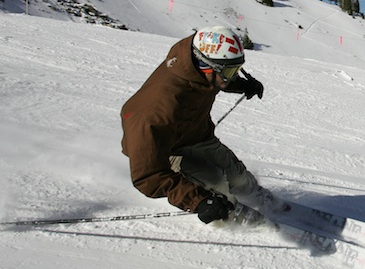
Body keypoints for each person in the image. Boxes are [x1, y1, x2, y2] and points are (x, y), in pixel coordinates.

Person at [120, 25, 285, 224]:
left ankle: (256, 196)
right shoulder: (152, 113)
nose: (232, 77)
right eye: (230, 72)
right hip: (165, 149)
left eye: (236, 70)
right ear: (206, 66)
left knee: (238, 176)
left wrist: (242, 84)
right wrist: (198, 201)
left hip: (197, 134)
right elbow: (148, 176)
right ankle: (231, 214)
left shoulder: (199, 70)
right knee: (216, 181)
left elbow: (220, 78)